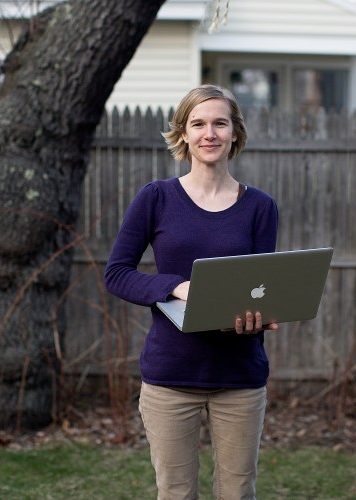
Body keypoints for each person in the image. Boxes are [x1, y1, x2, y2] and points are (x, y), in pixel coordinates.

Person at [103, 84, 279, 499]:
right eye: (198, 124)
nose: (210, 133)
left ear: (236, 132)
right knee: (176, 493)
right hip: (171, 377)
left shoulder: (260, 207)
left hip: (239, 377)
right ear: (183, 133)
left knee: (238, 493)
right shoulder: (157, 198)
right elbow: (116, 273)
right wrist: (176, 286)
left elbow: (258, 287)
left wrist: (257, 319)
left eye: (220, 123)